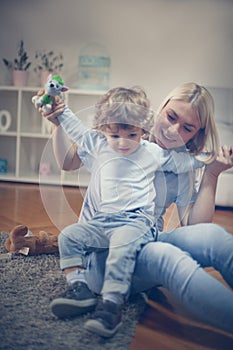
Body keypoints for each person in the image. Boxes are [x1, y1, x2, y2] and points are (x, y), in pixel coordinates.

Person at [39, 82, 233, 336]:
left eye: (187, 128)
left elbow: (194, 227)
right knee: (165, 256)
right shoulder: (118, 136)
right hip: (102, 254)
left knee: (214, 237)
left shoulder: (176, 164)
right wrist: (57, 122)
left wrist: (211, 173)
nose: (174, 131)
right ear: (159, 109)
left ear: (195, 134)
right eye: (171, 117)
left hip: (142, 237)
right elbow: (67, 161)